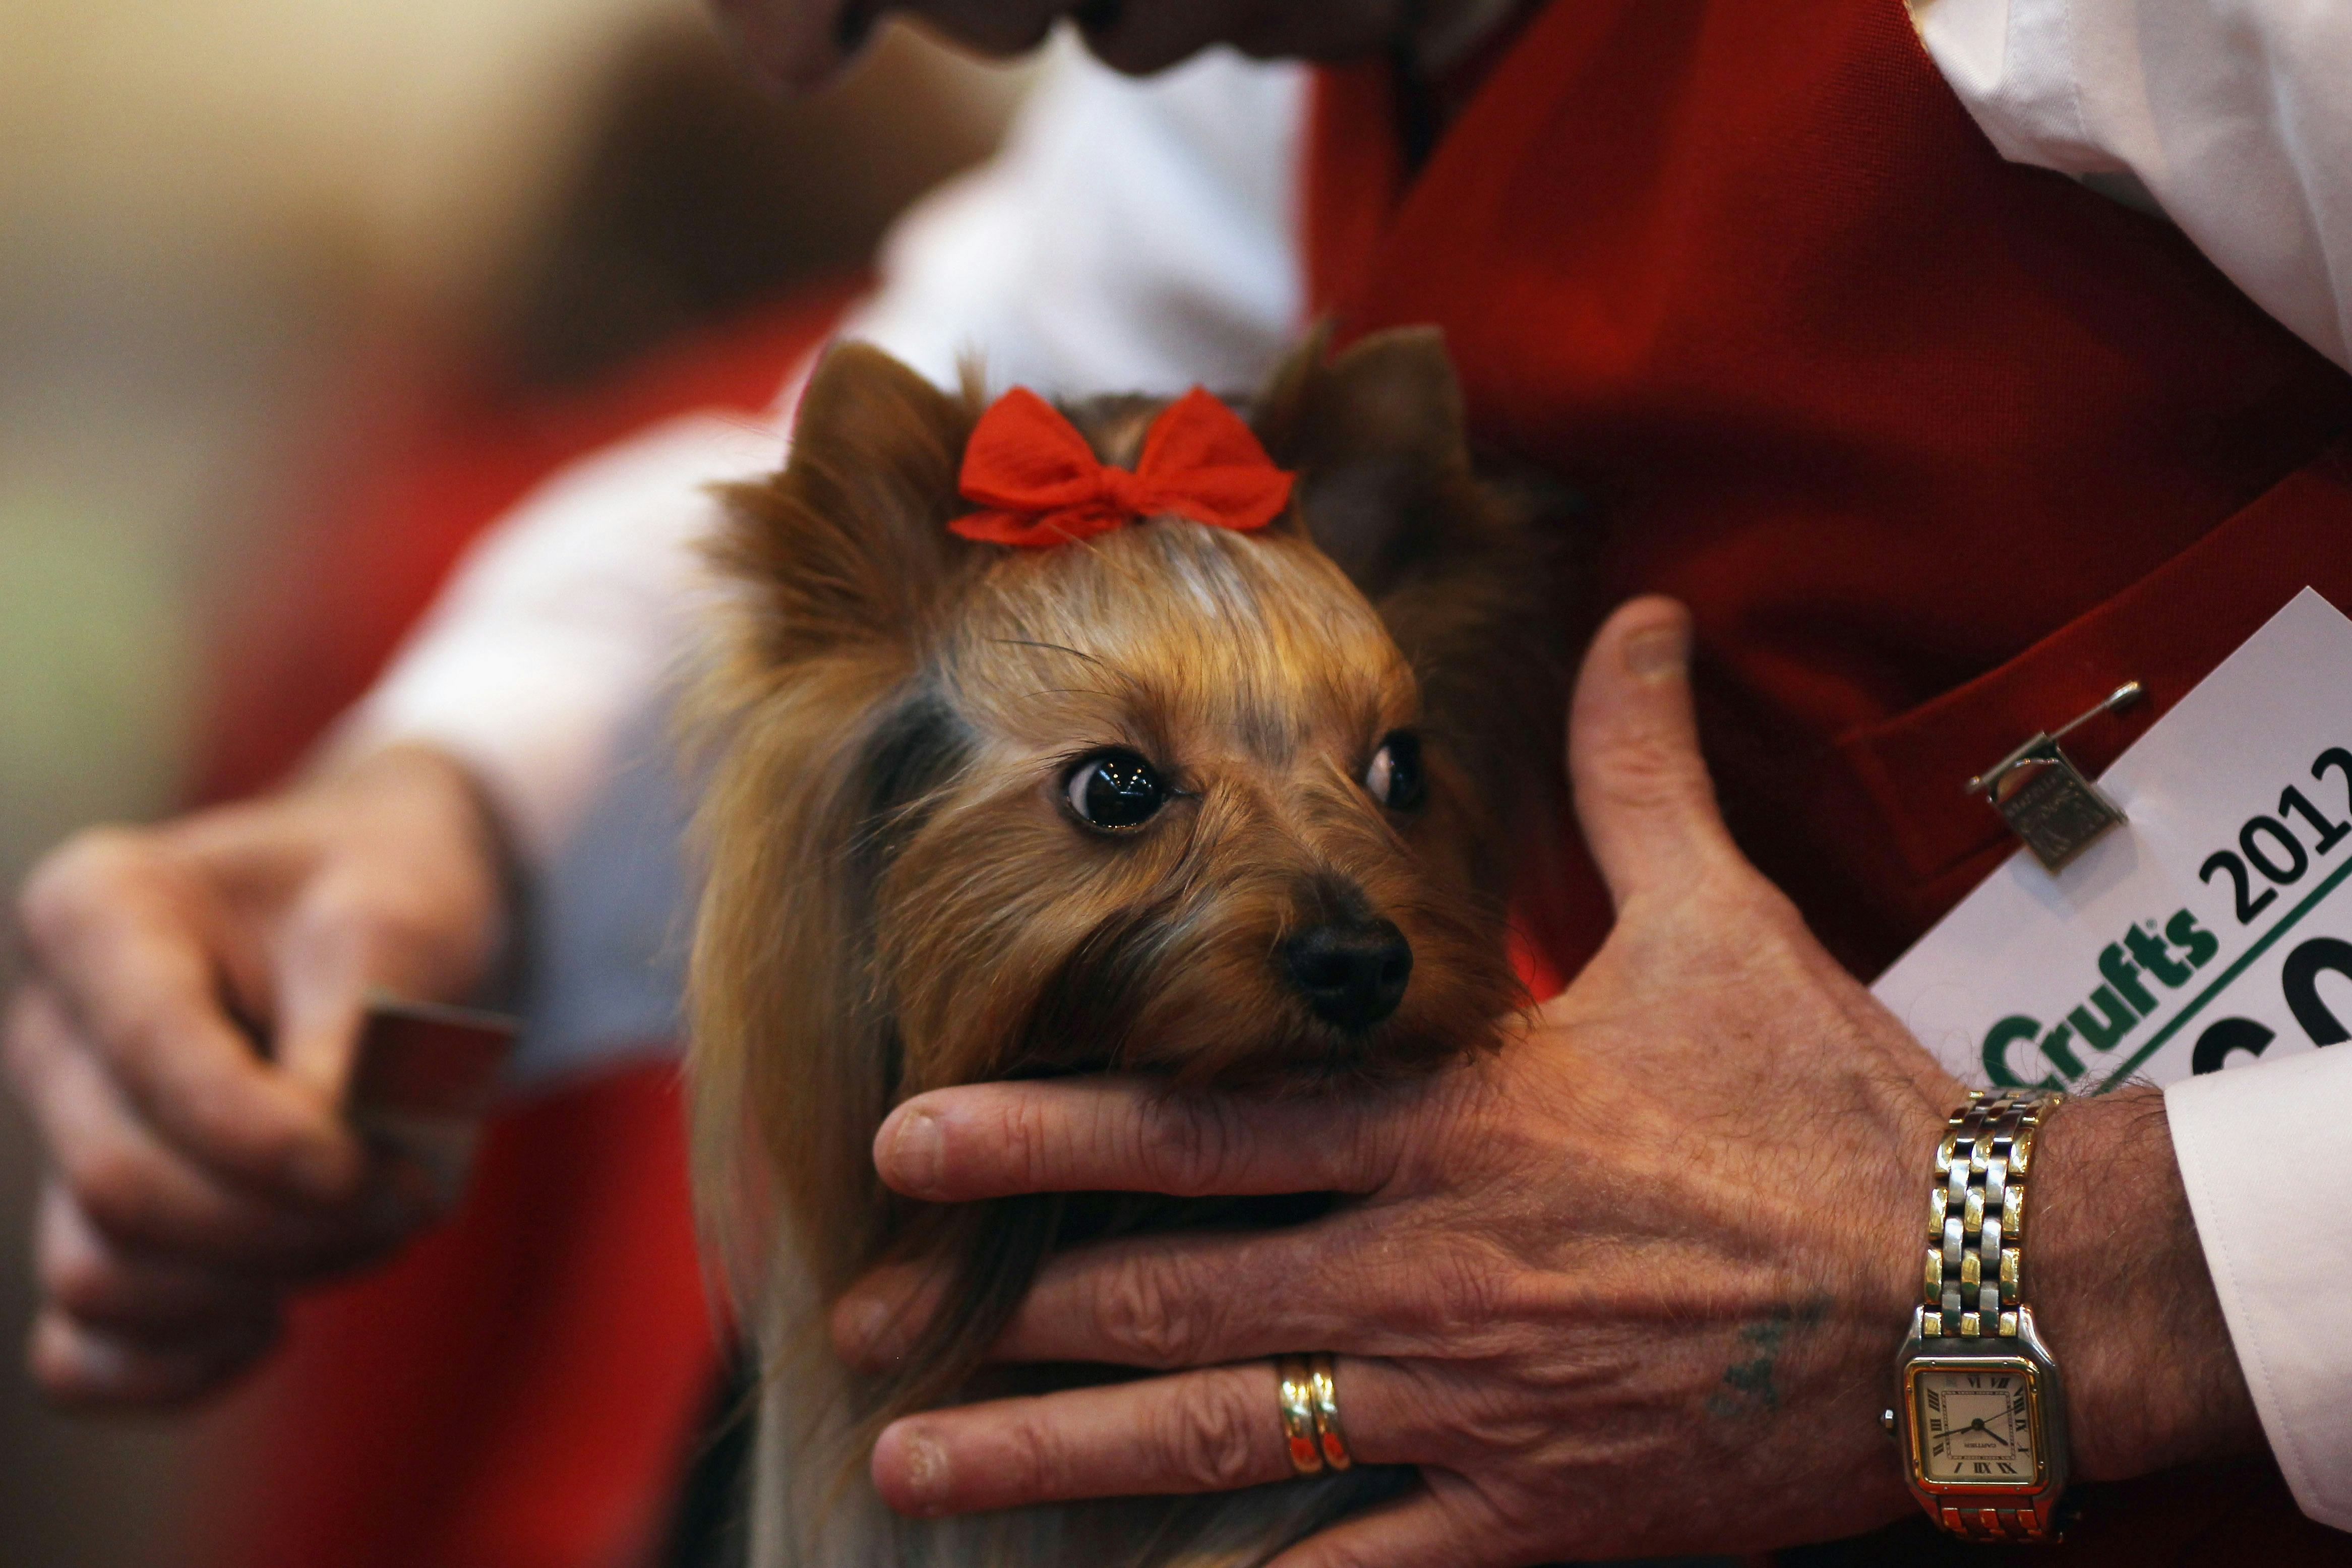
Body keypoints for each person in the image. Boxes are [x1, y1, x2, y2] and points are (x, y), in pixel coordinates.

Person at [9, 0, 2350, 1560]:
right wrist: (433, 833)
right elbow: (933, 454)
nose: (800, 46)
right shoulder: (1247, 82)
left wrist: (2026, 1265)